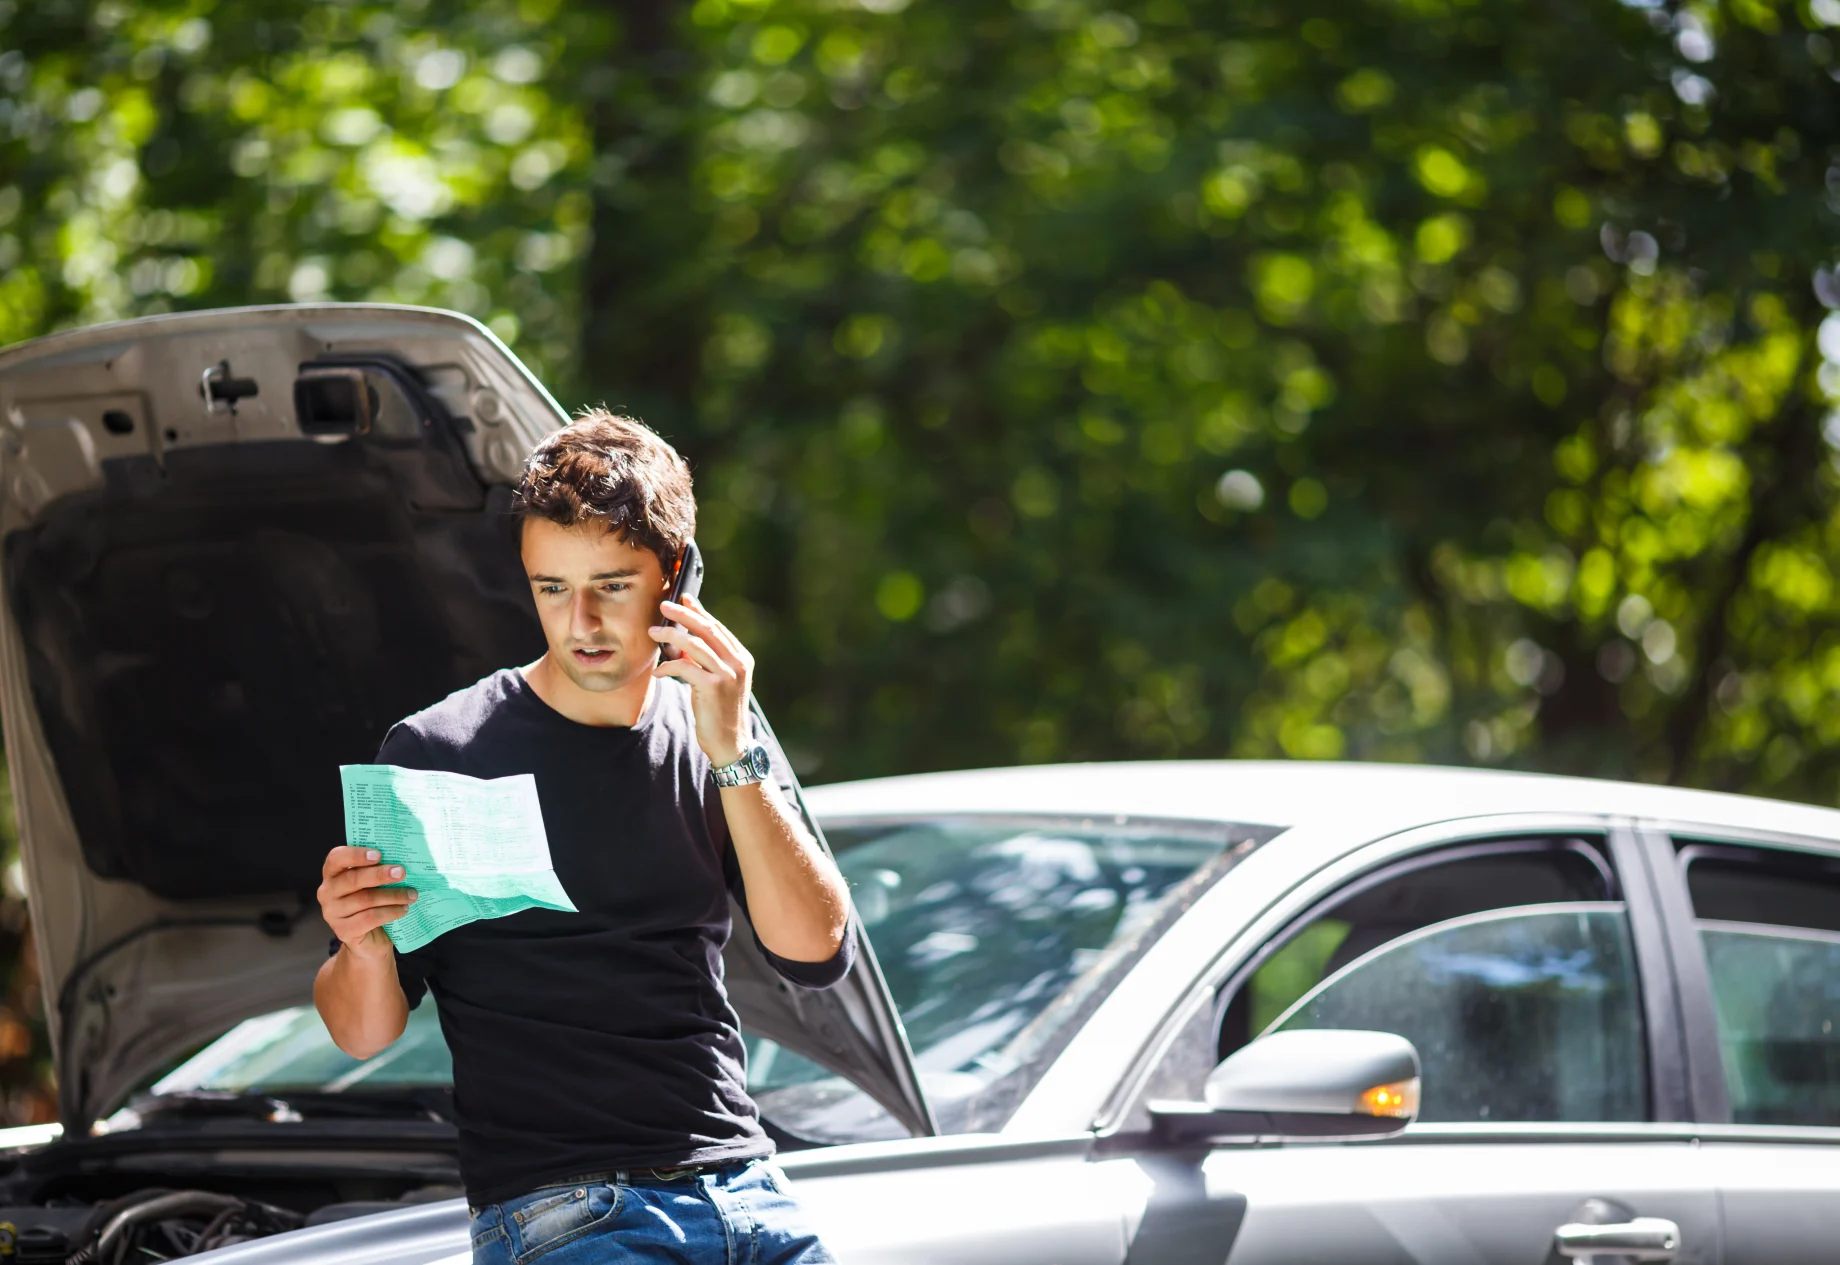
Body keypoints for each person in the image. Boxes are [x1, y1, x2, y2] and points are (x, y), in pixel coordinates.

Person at [312, 411, 851, 1264]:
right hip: (565, 1212)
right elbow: (361, 1034)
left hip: (747, 1188)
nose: (582, 622)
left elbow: (817, 953)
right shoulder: (440, 749)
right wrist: (361, 946)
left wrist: (732, 752)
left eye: (612, 585)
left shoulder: (718, 727)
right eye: (553, 588)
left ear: (677, 576)